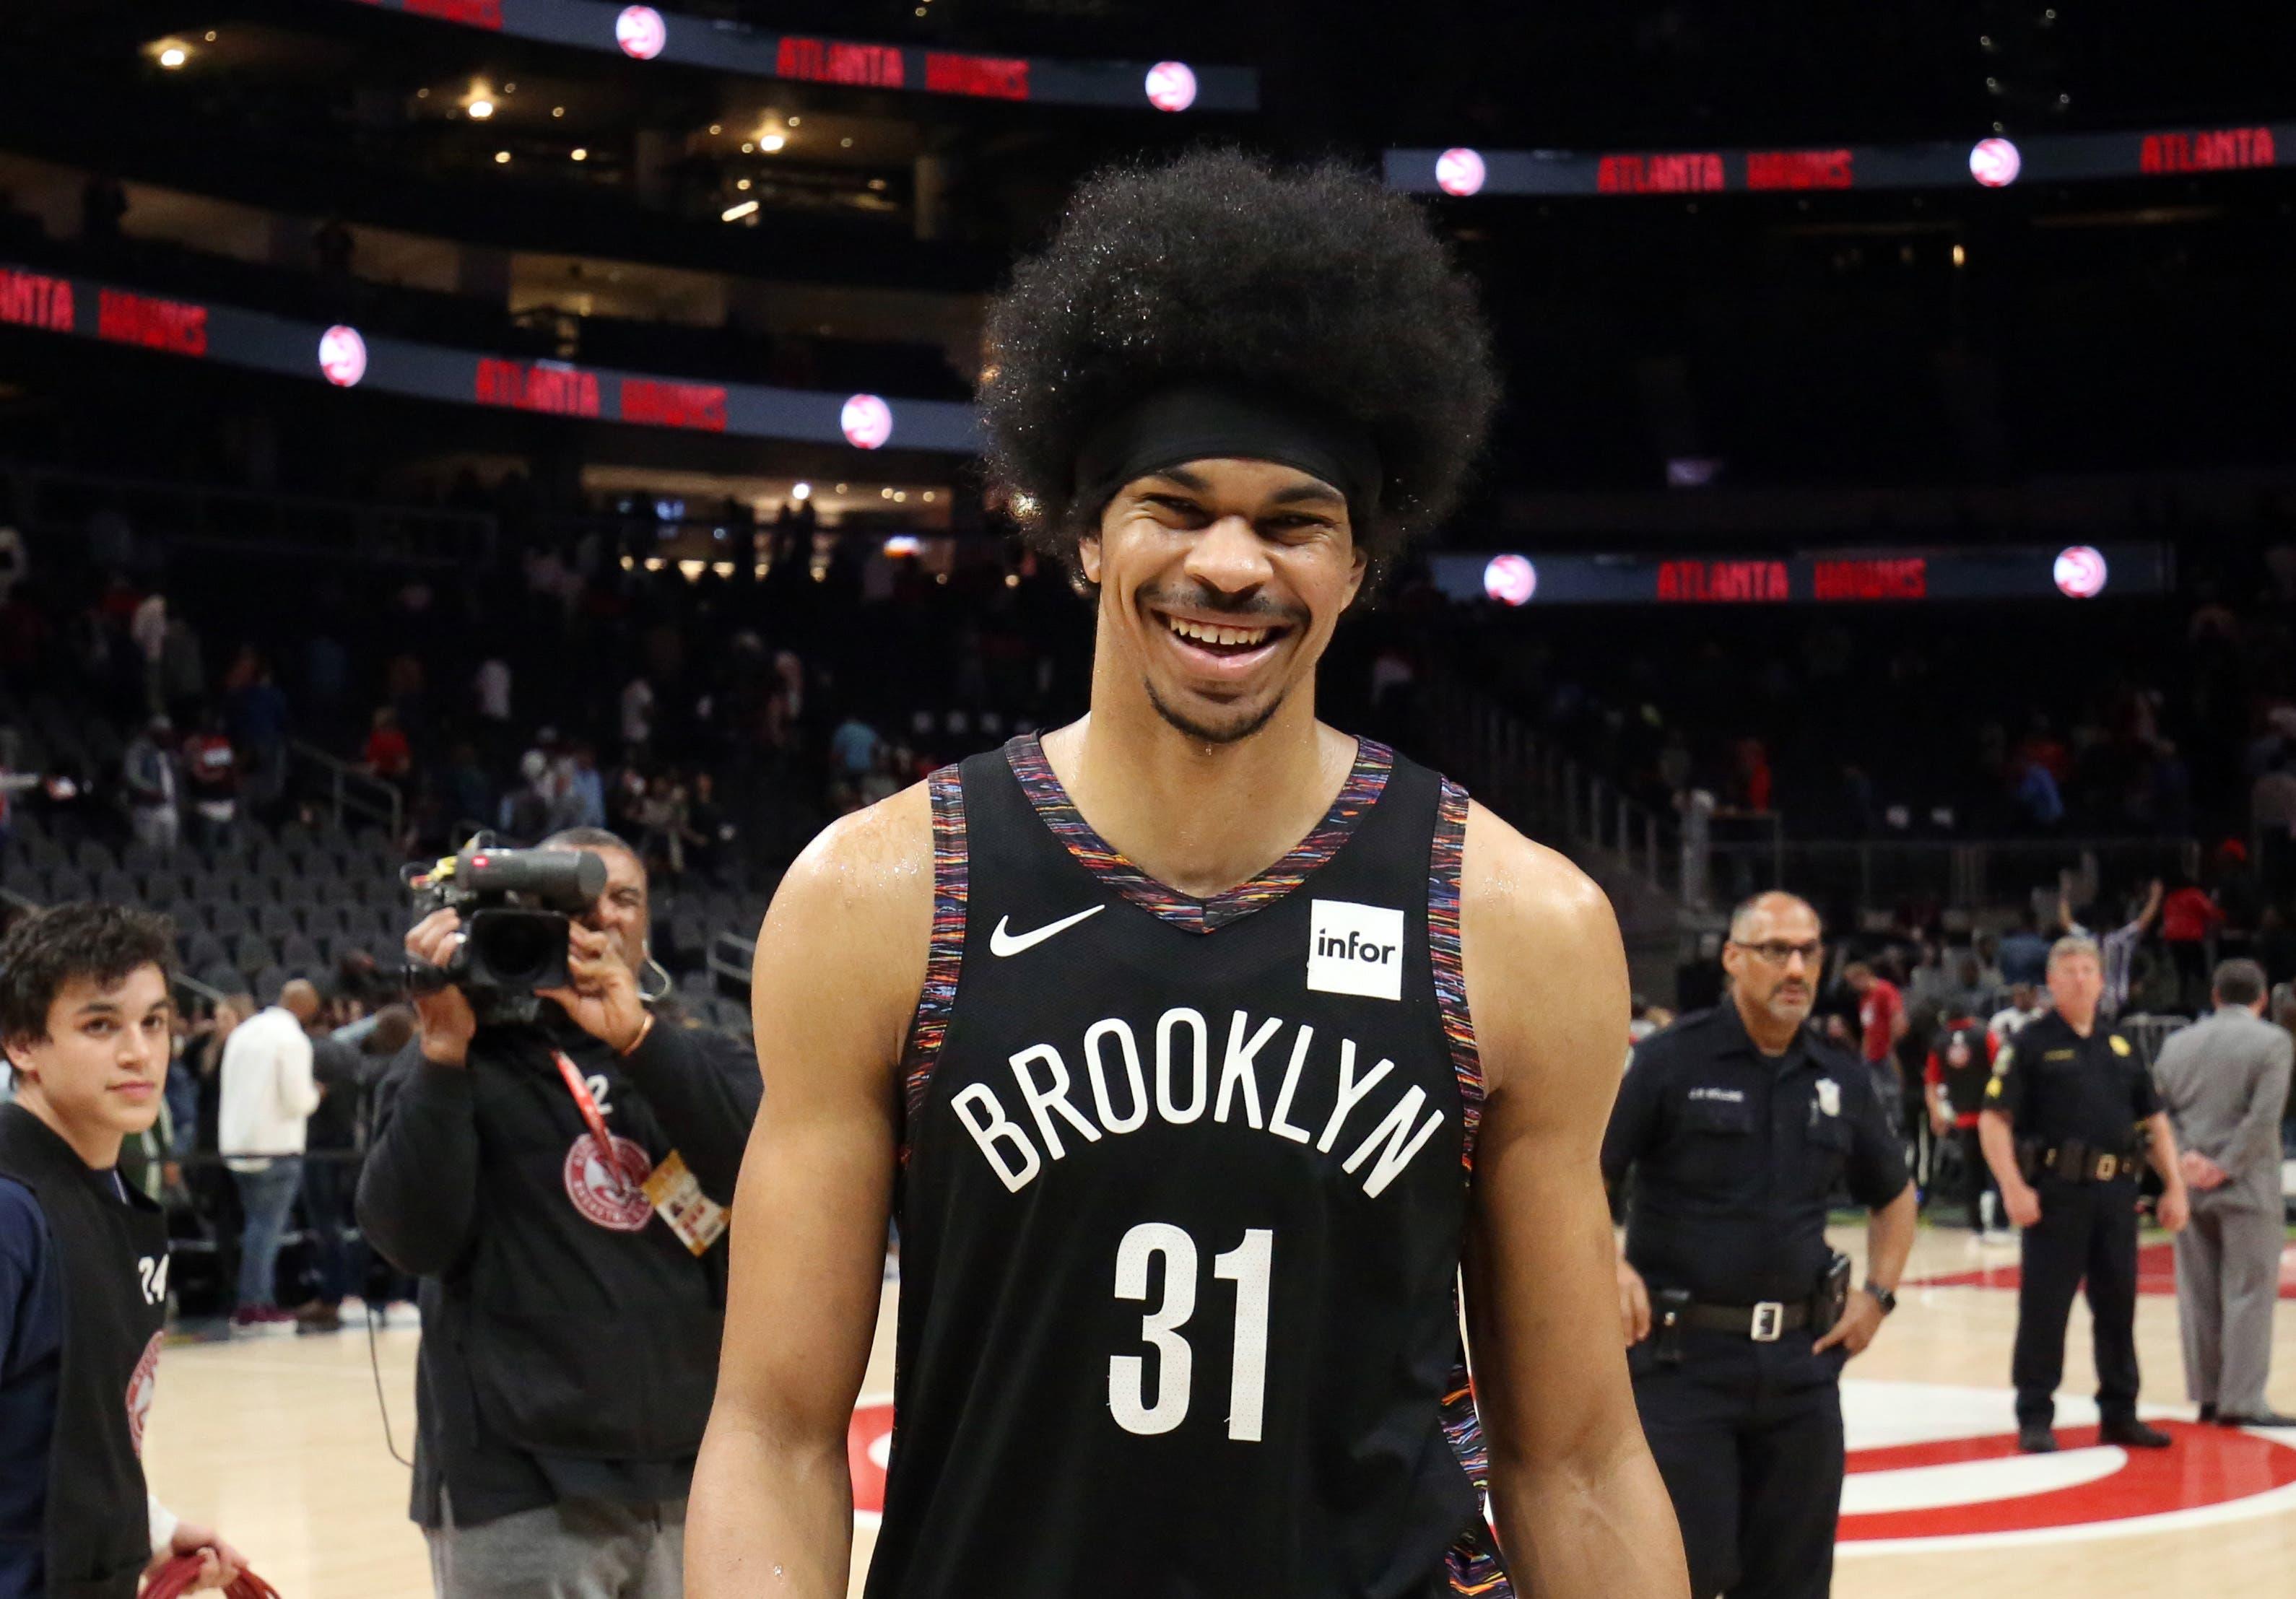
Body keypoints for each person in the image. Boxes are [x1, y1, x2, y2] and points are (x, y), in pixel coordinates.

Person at [690, 151, 1685, 1599]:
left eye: (1296, 522)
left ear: (1356, 567)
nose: (1233, 564)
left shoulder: (1516, 921)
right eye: (1175, 504)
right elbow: (776, 1434)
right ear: (1085, 535)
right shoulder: (882, 896)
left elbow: (1577, 1461)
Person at [357, 827, 761, 1598]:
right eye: (571, 899)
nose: (600, 916)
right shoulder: (452, 1060)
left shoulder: (697, 1054)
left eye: (623, 898)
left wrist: (639, 1036)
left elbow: (761, 1178)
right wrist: (441, 1048)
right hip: (517, 1480)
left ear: (646, 924)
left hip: (691, 1468)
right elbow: (411, 1239)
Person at [1606, 892, 1915, 1599]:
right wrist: (1609, 1263)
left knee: (1793, 1582)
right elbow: (1588, 1171)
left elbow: (1895, 1196)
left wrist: (1879, 1296)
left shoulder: (1840, 1075)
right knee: (1684, 1574)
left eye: (1809, 950)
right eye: (1778, 950)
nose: (1798, 967)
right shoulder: (1667, 1061)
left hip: (1802, 1371)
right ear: (1733, 958)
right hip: (1683, 1367)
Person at [0, 902, 246, 1596]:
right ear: (23, 1043)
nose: (140, 1052)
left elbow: (75, 1430)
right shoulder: (11, 1210)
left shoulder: (101, 1191)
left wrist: (154, 1527)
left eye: (154, 1022)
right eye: (100, 1025)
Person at [1978, 935, 2192, 1452]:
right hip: (2056, 1195)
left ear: (2102, 980)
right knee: (2045, 1309)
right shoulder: (2029, 1043)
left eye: (2088, 970)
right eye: (2069, 970)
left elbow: (2156, 1122)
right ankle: (2035, 1414)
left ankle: (2120, 1412)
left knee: (2118, 1308)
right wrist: (2013, 1187)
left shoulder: (2120, 1045)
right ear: (2050, 981)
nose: (2080, 978)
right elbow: (1993, 1119)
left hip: (2117, 1195)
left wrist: (2174, 1187)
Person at [2151, 959, 2295, 1428]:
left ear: (2214, 995)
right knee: (2250, 1291)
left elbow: (2157, 1114)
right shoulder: (2273, 1042)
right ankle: (2242, 1399)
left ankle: (2208, 1396)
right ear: (2262, 998)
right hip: (2247, 1184)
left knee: (2198, 1293)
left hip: (2189, 1184)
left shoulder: (2176, 1043)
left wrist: (2187, 1160)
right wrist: (2224, 1166)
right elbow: (2263, 1117)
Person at [218, 980, 323, 1333]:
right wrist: (316, 1095)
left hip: (236, 1144)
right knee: (266, 1230)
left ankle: (251, 1301)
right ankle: (255, 1306)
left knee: (255, 1228)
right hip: (276, 1147)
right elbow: (297, 1099)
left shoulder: (245, 1032)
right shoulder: (291, 1039)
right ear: (307, 1009)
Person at [1924, 1011, 2001, 1234]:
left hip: (1963, 1116)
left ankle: (1975, 1223)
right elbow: (2001, 1071)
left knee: (1971, 1173)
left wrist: (1935, 1113)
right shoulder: (1984, 1035)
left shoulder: (1940, 1041)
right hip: (1990, 1115)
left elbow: (1931, 1082)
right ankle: (2000, 1223)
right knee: (1996, 1170)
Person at [1843, 959, 1908, 1135]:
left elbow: (1898, 1018)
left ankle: (1897, 1136)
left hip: (1886, 1056)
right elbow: (1867, 1030)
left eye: (1853, 982)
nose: (1853, 987)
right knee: (1876, 1101)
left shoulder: (1884, 990)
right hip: (1871, 1058)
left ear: (1863, 976)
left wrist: (1892, 1048)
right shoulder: (1864, 1000)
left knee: (1892, 1097)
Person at [121, 716, 179, 855]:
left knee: (170, 850)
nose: (167, 736)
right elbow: (132, 776)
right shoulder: (138, 750)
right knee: (148, 850)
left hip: (168, 807)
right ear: (153, 733)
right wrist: (151, 791)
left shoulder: (169, 752)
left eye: (168, 733)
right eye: (163, 733)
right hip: (147, 809)